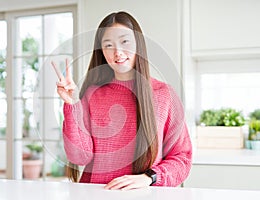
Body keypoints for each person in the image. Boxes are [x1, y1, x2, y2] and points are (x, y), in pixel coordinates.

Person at [54, 11, 192, 190]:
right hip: (96, 194)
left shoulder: (164, 94)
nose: (117, 52)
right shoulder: (92, 94)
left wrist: (148, 178)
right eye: (108, 45)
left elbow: (182, 158)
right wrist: (71, 104)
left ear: (138, 44)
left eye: (125, 42)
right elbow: (79, 157)